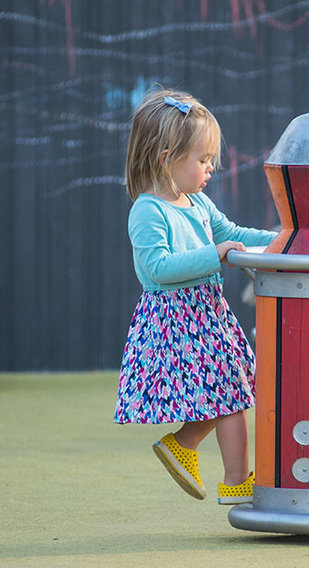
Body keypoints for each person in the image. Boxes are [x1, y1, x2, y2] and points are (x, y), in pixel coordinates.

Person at [114, 89, 277, 505]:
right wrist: (215, 256)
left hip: (208, 314)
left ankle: (183, 444)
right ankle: (238, 482)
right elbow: (157, 269)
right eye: (202, 161)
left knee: (233, 389)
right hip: (176, 319)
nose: (210, 170)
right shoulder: (149, 210)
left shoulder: (199, 202)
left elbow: (235, 235)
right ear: (166, 159)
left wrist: (284, 239)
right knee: (231, 394)